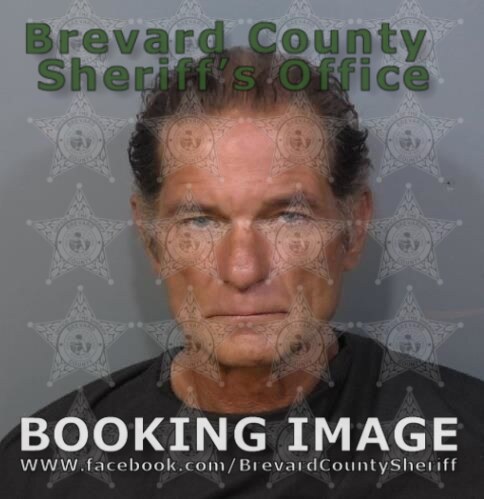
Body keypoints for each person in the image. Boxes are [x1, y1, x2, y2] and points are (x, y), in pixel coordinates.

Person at [1, 47, 483, 499]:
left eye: (289, 217)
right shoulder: (43, 469)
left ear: (353, 228)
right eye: (199, 221)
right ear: (150, 238)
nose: (243, 269)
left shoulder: (469, 447)